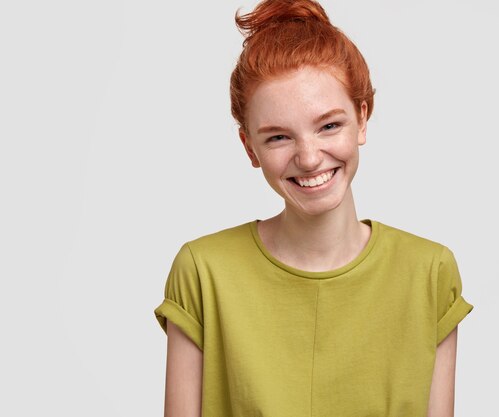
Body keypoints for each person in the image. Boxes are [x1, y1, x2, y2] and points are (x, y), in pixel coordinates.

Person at [154, 0, 474, 416]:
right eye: (277, 138)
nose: (308, 158)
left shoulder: (429, 272)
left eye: (328, 125)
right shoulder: (202, 271)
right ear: (249, 148)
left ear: (362, 118)